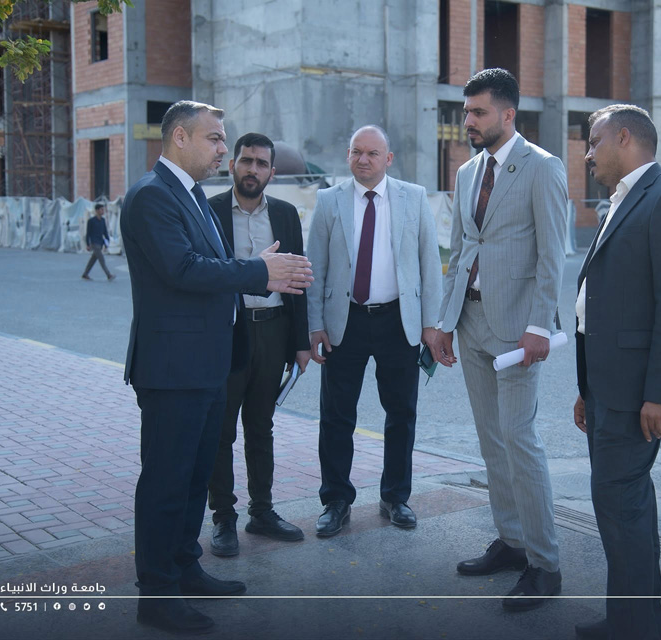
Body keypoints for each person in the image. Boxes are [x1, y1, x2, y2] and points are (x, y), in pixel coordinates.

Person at [121, 100, 312, 634]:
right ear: (180, 137)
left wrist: (257, 270)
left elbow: (214, 266)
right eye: (215, 139)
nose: (223, 149)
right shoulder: (152, 195)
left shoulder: (190, 195)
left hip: (208, 364)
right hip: (173, 370)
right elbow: (184, 269)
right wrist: (259, 271)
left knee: (191, 481)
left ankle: (185, 568)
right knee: (165, 483)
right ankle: (157, 593)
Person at [433, 68, 567, 611]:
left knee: (519, 439)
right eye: (466, 111)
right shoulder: (467, 172)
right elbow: (461, 249)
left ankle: (545, 563)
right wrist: (445, 321)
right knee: (491, 440)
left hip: (517, 330)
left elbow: (553, 254)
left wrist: (540, 325)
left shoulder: (543, 167)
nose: (468, 120)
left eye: (478, 112)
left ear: (508, 114)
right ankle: (511, 542)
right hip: (469, 322)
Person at [573, 104, 661, 640]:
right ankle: (634, 621)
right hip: (606, 388)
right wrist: (586, 388)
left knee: (619, 504)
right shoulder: (619, 202)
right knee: (624, 507)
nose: (588, 154)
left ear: (624, 137)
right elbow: (601, 302)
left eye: (594, 141)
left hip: (637, 393)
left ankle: (635, 626)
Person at [306, 125, 442, 538]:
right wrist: (315, 325)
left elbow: (429, 264)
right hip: (343, 321)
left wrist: (430, 325)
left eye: (372, 153)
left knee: (401, 413)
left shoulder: (413, 197)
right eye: (356, 152)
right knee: (336, 415)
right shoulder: (329, 200)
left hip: (398, 320)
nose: (363, 159)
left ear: (388, 159)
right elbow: (315, 269)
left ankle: (395, 497)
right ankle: (335, 500)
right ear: (348, 156)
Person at [205, 133, 309, 556]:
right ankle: (223, 518)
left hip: (273, 330)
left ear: (272, 171)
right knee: (220, 430)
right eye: (246, 161)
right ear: (232, 165)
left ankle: (261, 512)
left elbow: (298, 280)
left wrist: (300, 343)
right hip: (228, 332)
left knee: (261, 427)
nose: (253, 169)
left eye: (261, 163)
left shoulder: (285, 214)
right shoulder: (209, 210)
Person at [82, 203, 115, 281]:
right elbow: (88, 233)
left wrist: (107, 241)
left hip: (100, 242)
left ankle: (85, 274)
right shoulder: (91, 221)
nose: (103, 211)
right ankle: (108, 275)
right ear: (97, 210)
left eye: (103, 209)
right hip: (94, 243)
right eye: (101, 209)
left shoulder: (103, 220)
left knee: (93, 260)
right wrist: (87, 244)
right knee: (101, 259)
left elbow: (105, 232)